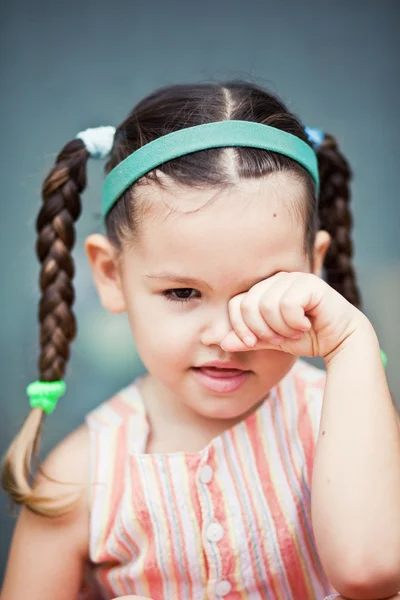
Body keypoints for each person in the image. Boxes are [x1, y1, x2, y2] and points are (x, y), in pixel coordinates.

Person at [1, 80, 399, 600]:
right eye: (183, 292)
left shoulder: (346, 424)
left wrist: (351, 343)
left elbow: (371, 571)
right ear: (109, 274)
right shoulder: (81, 480)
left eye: (263, 289)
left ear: (313, 268)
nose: (228, 337)